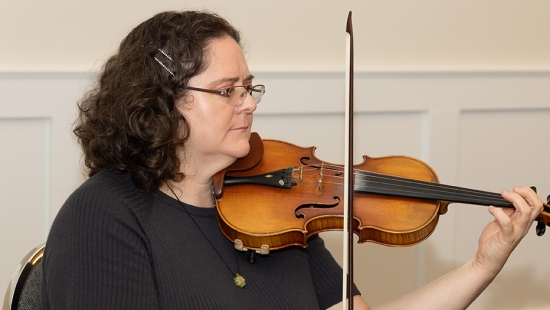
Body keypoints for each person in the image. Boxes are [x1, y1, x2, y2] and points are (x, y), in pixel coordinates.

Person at [40, 10, 544, 310]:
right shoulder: (104, 215)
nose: (250, 102)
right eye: (226, 90)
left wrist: (485, 263)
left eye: (248, 87)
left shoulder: (272, 203)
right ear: (159, 103)